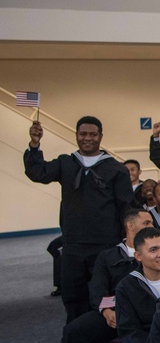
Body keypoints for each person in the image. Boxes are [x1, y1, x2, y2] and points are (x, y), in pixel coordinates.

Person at [24, 115, 134, 321]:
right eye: (83, 134)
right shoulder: (66, 163)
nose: (88, 138)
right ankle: (75, 334)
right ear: (76, 136)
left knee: (106, 292)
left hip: (106, 244)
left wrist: (126, 241)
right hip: (73, 244)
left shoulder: (116, 169)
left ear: (101, 136)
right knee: (73, 294)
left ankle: (105, 336)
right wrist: (35, 144)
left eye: (93, 134)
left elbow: (125, 207)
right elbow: (38, 172)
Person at [53, 209, 153, 343]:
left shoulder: (155, 252)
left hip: (144, 318)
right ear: (130, 226)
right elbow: (97, 288)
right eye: (146, 222)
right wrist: (106, 311)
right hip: (113, 315)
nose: (151, 226)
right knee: (74, 331)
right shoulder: (108, 256)